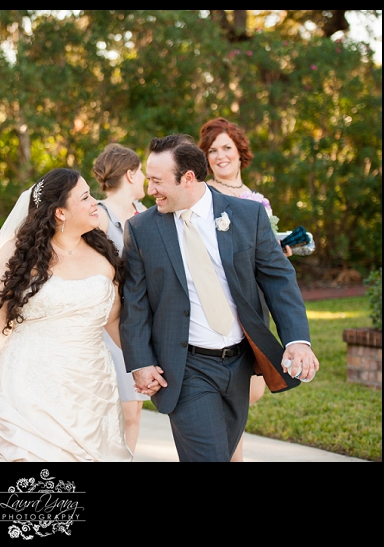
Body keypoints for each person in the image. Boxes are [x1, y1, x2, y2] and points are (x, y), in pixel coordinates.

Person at [121, 134, 319, 462]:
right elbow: (135, 302)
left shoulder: (247, 216)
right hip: (185, 368)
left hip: (239, 365)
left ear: (187, 178)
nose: (150, 189)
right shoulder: (141, 229)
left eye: (157, 181)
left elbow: (278, 279)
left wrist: (297, 339)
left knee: (222, 455)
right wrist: (140, 361)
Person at [0, 168, 132, 462]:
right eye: (85, 197)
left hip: (90, 392)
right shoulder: (18, 255)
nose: (95, 201)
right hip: (24, 388)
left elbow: (113, 321)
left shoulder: (105, 253)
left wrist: (147, 364)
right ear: (60, 212)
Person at [197, 117, 292, 462]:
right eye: (212, 151)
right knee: (233, 398)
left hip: (254, 306)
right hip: (220, 307)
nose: (220, 156)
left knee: (249, 395)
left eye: (227, 148)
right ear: (205, 159)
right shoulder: (205, 199)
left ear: (240, 152)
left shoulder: (258, 201)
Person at [91, 143, 150, 453]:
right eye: (141, 172)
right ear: (130, 174)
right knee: (118, 410)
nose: (144, 179)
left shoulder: (146, 215)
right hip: (106, 324)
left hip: (138, 321)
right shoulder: (98, 215)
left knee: (134, 412)